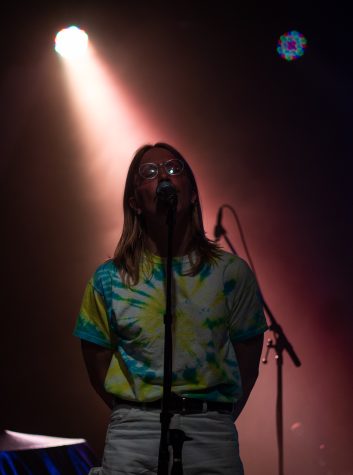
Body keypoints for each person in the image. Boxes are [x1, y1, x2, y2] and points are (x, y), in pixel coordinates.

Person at [73, 142, 268, 475]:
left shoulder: (231, 274)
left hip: (210, 433)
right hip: (133, 432)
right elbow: (97, 366)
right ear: (134, 202)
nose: (163, 175)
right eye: (149, 173)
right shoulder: (108, 279)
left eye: (174, 168)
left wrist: (210, 418)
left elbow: (248, 363)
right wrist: (138, 412)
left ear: (191, 193)